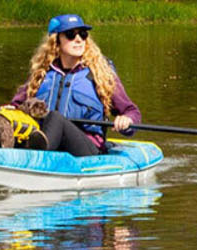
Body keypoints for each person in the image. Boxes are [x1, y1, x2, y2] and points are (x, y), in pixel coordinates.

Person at [8, 14, 143, 157]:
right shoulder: (41, 74)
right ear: (56, 41)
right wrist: (8, 111)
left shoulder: (101, 74)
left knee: (55, 118)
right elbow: (16, 105)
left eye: (83, 34)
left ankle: (37, 156)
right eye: (70, 34)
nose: (78, 39)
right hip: (46, 142)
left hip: (86, 149)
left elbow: (132, 111)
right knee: (2, 118)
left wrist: (127, 120)